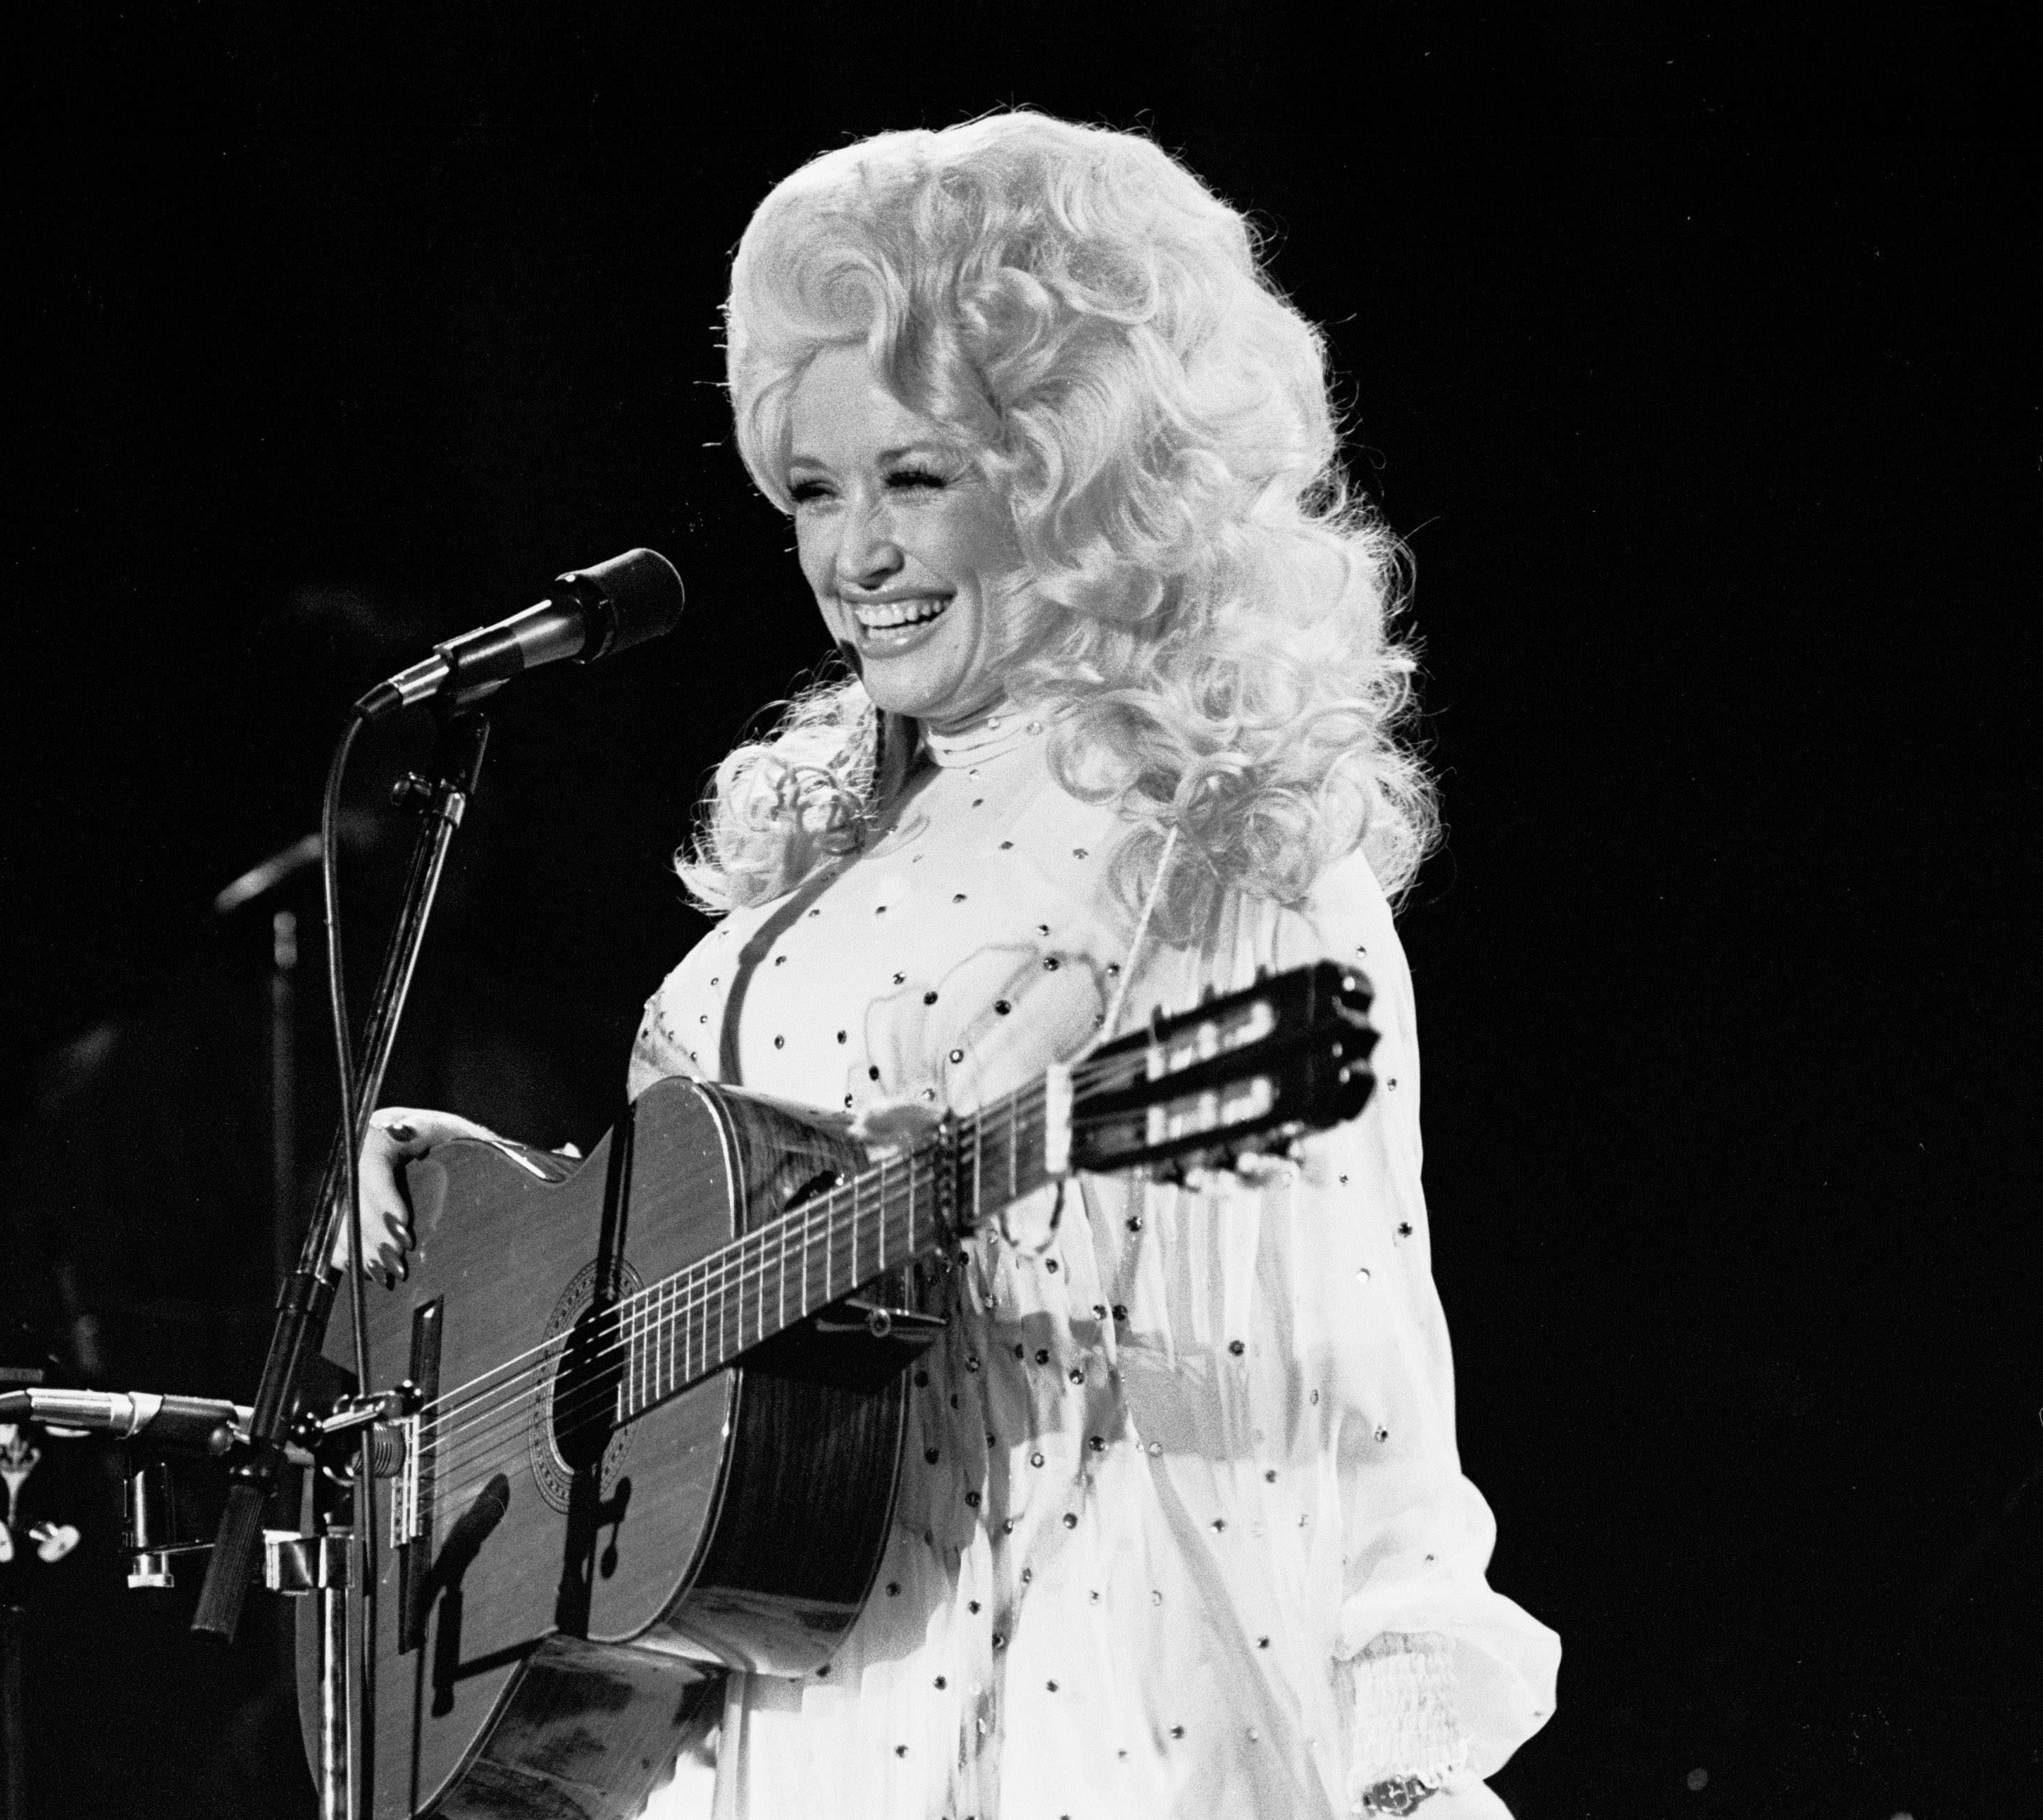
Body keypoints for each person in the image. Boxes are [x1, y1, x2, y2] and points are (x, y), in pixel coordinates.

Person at [352, 111, 1558, 1820]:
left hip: (1077, 1685)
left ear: (1075, 465)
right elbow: (680, 1344)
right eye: (816, 491)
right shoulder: (812, 839)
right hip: (770, 1733)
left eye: (916, 476)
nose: (857, 556)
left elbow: (1351, 1370)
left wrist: (1407, 1767)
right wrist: (479, 1215)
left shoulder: (1204, 833)